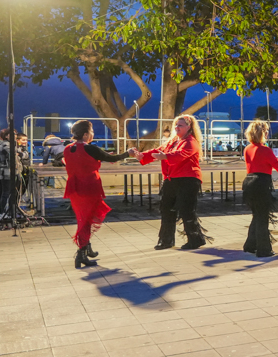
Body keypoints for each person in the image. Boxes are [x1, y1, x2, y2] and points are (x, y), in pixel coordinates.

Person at [63, 120, 136, 267]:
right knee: (86, 220)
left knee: (83, 218)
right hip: (89, 187)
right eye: (91, 132)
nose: (93, 134)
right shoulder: (91, 148)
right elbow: (112, 158)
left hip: (74, 188)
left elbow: (71, 161)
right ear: (85, 134)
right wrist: (128, 153)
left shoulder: (67, 149)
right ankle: (81, 253)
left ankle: (87, 247)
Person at [136, 114, 208, 250]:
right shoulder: (173, 141)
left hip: (188, 180)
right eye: (176, 125)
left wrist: (164, 156)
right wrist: (141, 155)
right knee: (166, 209)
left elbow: (180, 155)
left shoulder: (191, 141)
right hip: (171, 179)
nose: (176, 127)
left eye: (180, 125)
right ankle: (166, 240)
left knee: (186, 210)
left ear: (189, 127)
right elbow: (158, 151)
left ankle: (195, 239)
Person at [242, 121, 278, 257]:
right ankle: (264, 249)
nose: (268, 133)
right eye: (266, 130)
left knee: (256, 215)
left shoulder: (248, 148)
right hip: (261, 183)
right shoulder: (265, 150)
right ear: (262, 133)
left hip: (249, 182)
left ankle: (250, 245)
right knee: (262, 217)